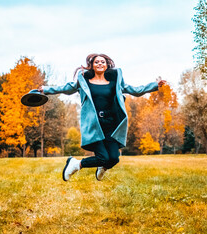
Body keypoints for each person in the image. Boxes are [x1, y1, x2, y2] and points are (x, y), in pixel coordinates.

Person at [38, 53, 166, 181]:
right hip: (94, 125)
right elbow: (65, 88)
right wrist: (46, 89)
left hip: (111, 124)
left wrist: (154, 85)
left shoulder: (114, 83)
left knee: (114, 158)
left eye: (102, 62)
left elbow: (135, 90)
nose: (100, 64)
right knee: (103, 158)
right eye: (96, 62)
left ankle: (102, 167)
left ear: (107, 65)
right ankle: (76, 164)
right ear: (92, 66)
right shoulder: (84, 82)